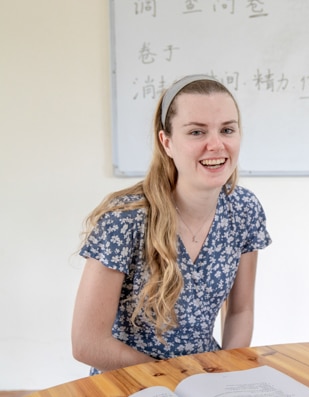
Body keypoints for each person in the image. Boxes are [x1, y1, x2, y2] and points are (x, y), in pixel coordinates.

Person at [72, 74, 271, 375]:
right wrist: (175, 377)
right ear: (166, 141)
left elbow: (240, 311)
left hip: (205, 380)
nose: (216, 145)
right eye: (196, 132)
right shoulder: (124, 218)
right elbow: (87, 343)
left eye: (227, 130)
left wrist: (226, 375)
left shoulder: (244, 209)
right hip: (130, 381)